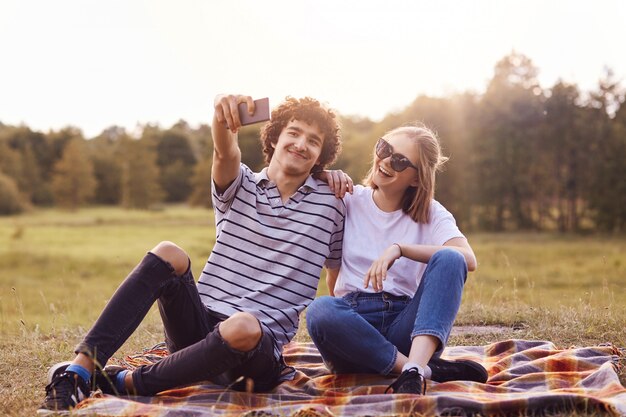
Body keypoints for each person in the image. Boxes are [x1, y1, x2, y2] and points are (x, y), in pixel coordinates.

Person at [40, 94, 346, 411]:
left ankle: (125, 383)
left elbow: (338, 275)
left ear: (322, 154)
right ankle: (78, 372)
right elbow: (224, 150)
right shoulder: (240, 185)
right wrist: (221, 113)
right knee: (169, 252)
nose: (301, 144)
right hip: (197, 332)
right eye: (294, 133)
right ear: (275, 137)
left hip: (256, 350)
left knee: (243, 325)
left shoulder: (333, 203)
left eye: (314, 141)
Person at [306, 124, 487, 395]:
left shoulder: (432, 213)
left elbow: (467, 258)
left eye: (401, 161)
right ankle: (418, 369)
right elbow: (296, 181)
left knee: (450, 258)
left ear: (416, 179)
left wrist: (400, 248)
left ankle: (412, 366)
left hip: (406, 326)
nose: (387, 161)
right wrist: (322, 174)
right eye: (385, 149)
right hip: (353, 330)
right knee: (321, 310)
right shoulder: (348, 199)